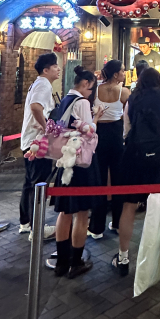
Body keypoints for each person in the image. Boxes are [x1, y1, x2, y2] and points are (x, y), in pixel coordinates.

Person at [112, 67, 160, 275]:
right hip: (159, 157)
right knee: (159, 206)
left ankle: (123, 257)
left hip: (135, 157)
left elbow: (126, 130)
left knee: (129, 206)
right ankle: (157, 257)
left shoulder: (132, 99)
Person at [52, 66, 105, 278]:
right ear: (85, 84)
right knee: (82, 213)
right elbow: (89, 132)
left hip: (65, 161)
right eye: (91, 89)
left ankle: (61, 263)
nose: (91, 94)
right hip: (81, 163)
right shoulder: (82, 102)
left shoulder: (65, 100)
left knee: (65, 212)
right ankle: (76, 262)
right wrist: (96, 117)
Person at [19, 52, 60, 240]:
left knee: (30, 183)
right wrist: (46, 127)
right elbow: (36, 107)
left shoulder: (38, 83)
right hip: (37, 143)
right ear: (46, 70)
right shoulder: (43, 84)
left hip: (29, 141)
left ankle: (26, 223)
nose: (58, 69)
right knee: (39, 184)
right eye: (55, 66)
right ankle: (37, 229)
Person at [87, 60, 130, 238]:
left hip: (99, 136)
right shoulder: (124, 92)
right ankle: (118, 223)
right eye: (122, 71)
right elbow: (128, 116)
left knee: (100, 180)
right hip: (116, 136)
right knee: (118, 179)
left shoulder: (95, 90)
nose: (124, 73)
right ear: (115, 74)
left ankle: (96, 227)